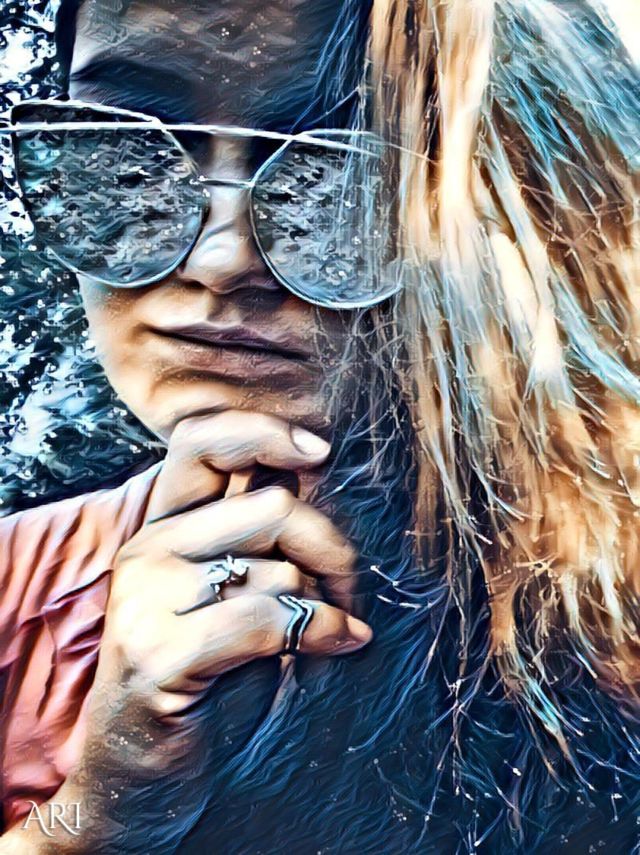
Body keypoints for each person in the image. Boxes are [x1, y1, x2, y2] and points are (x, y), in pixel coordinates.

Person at [0, 0, 638, 852]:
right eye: (129, 153)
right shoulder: (15, 590)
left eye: (340, 175)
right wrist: (92, 817)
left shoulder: (612, 616)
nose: (220, 260)